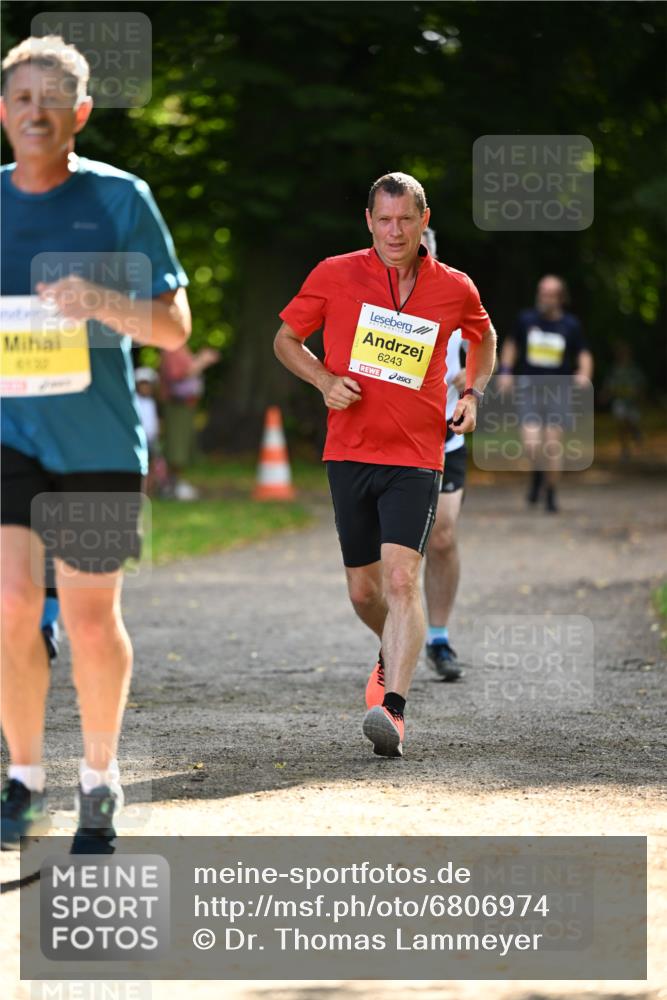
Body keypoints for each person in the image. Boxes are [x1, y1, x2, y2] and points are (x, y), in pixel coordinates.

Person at [0, 36, 191, 850]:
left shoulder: (120, 199)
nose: (33, 111)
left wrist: (102, 301)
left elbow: (176, 325)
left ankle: (100, 778)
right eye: (19, 98)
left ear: (79, 113)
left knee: (86, 618)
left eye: (50, 99)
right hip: (10, 433)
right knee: (9, 604)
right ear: (2, 112)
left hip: (100, 443)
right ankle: (24, 779)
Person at [274, 172, 496, 758]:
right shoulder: (334, 273)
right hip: (348, 450)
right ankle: (394, 645)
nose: (395, 231)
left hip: (417, 456)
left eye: (406, 219)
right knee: (363, 591)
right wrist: (323, 379)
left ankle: (392, 712)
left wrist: (472, 394)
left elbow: (485, 339)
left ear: (425, 221)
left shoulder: (454, 286)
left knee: (403, 580)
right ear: (368, 222)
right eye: (384, 220)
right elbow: (286, 340)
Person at [497, 275, 593, 513]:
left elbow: (584, 354)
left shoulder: (570, 325)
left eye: (550, 294)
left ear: (560, 298)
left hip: (558, 390)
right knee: (531, 445)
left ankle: (550, 491)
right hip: (529, 387)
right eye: (542, 292)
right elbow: (510, 346)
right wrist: (506, 371)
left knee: (552, 445)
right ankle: (538, 473)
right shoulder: (525, 320)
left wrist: (583, 373)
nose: (545, 297)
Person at [420, 228, 468, 682]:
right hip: (391, 441)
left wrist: (469, 380)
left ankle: (438, 637)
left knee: (443, 536)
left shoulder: (456, 293)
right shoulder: (375, 300)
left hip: (445, 437)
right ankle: (393, 631)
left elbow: (483, 345)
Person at [159, 343, 220, 500]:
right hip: (178, 406)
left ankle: (174, 485)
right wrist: (202, 361)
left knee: (181, 446)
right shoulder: (171, 348)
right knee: (176, 447)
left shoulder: (179, 347)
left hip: (185, 406)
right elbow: (177, 374)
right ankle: (171, 487)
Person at [602, 341, 645, 460]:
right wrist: (605, 395)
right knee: (621, 424)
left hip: (632, 402)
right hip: (619, 401)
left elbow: (641, 385)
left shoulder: (634, 369)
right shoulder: (614, 370)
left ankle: (636, 433)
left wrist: (640, 398)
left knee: (631, 423)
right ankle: (625, 449)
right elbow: (609, 385)